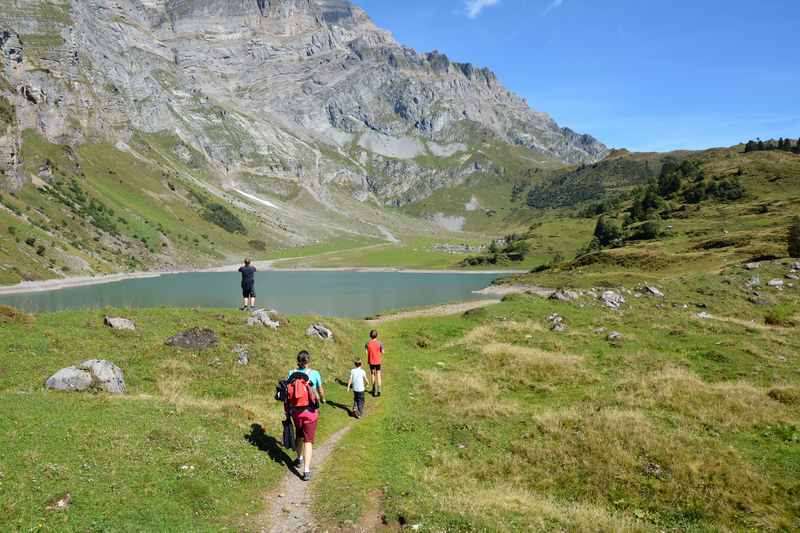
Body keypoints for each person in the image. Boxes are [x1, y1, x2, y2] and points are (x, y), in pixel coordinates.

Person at [286, 351, 325, 481]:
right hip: (310, 412)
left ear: (298, 360)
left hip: (295, 412)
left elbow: (287, 393)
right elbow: (320, 390)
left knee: (299, 434)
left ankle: (298, 458)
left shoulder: (291, 373)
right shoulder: (314, 373)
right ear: (308, 361)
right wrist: (323, 399)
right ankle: (306, 470)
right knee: (308, 440)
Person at [365, 329, 384, 397]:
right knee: (378, 374)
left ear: (370, 336)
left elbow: (366, 352)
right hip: (378, 361)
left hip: (371, 361)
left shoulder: (367, 343)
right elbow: (383, 352)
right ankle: (379, 390)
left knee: (372, 374)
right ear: (377, 335)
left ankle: (373, 389)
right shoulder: (380, 343)